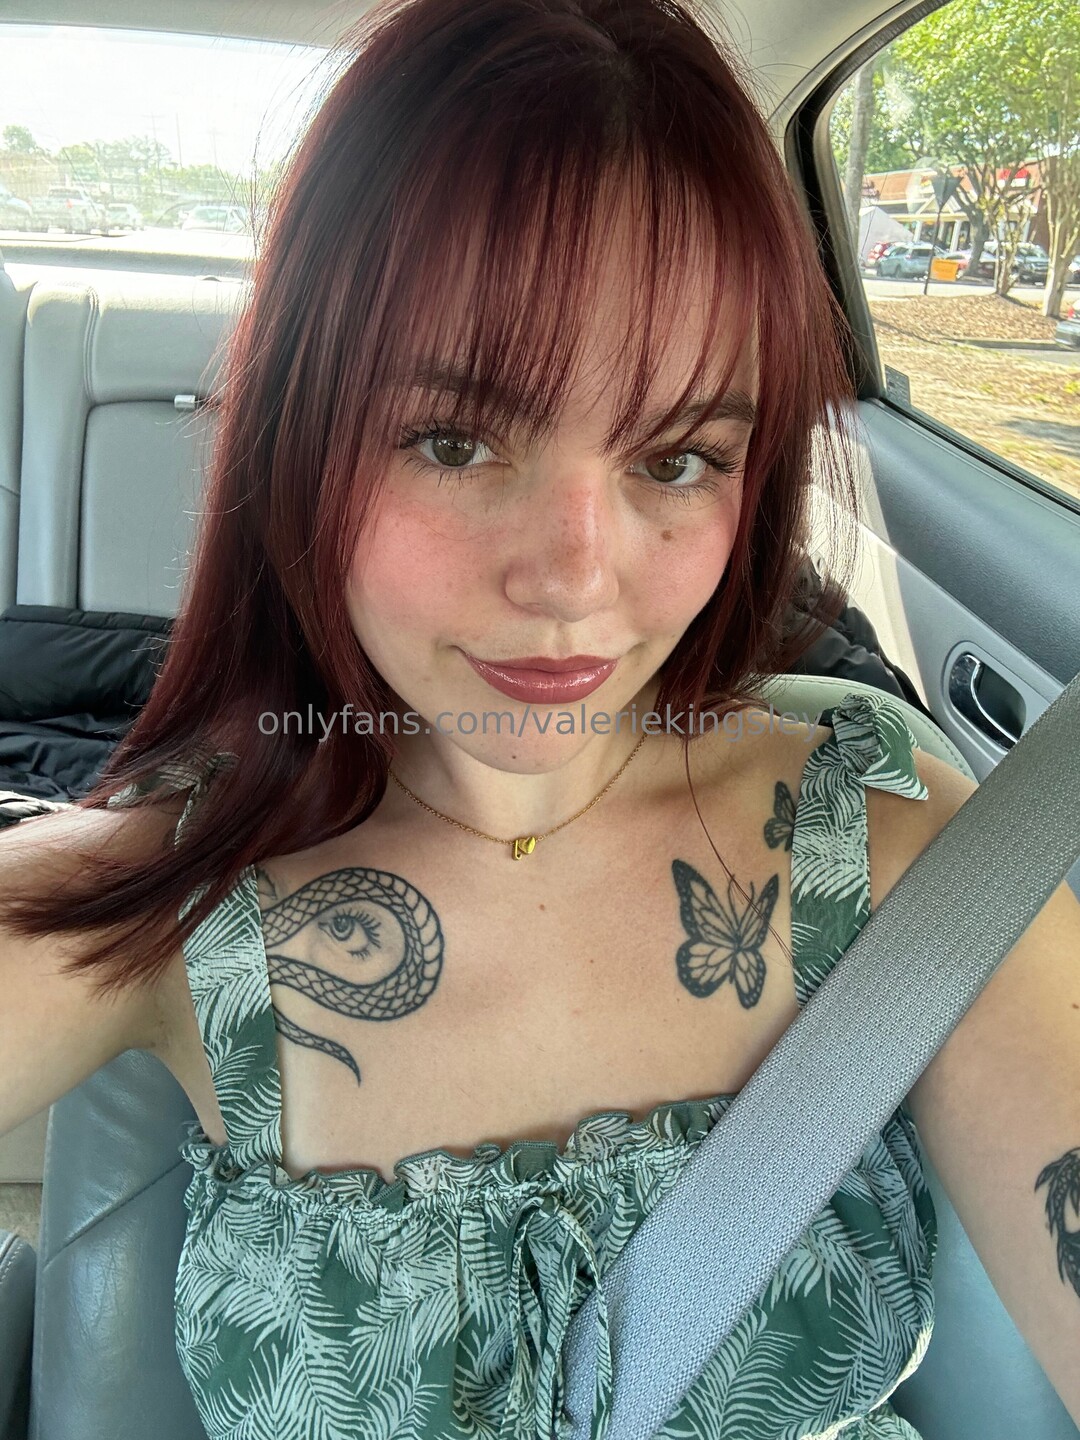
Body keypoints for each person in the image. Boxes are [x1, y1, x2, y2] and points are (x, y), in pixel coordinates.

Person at [2, 0, 1078, 1437]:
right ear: (302, 443)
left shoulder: (887, 846)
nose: (575, 581)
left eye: (677, 459)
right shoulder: (167, 891)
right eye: (454, 440)